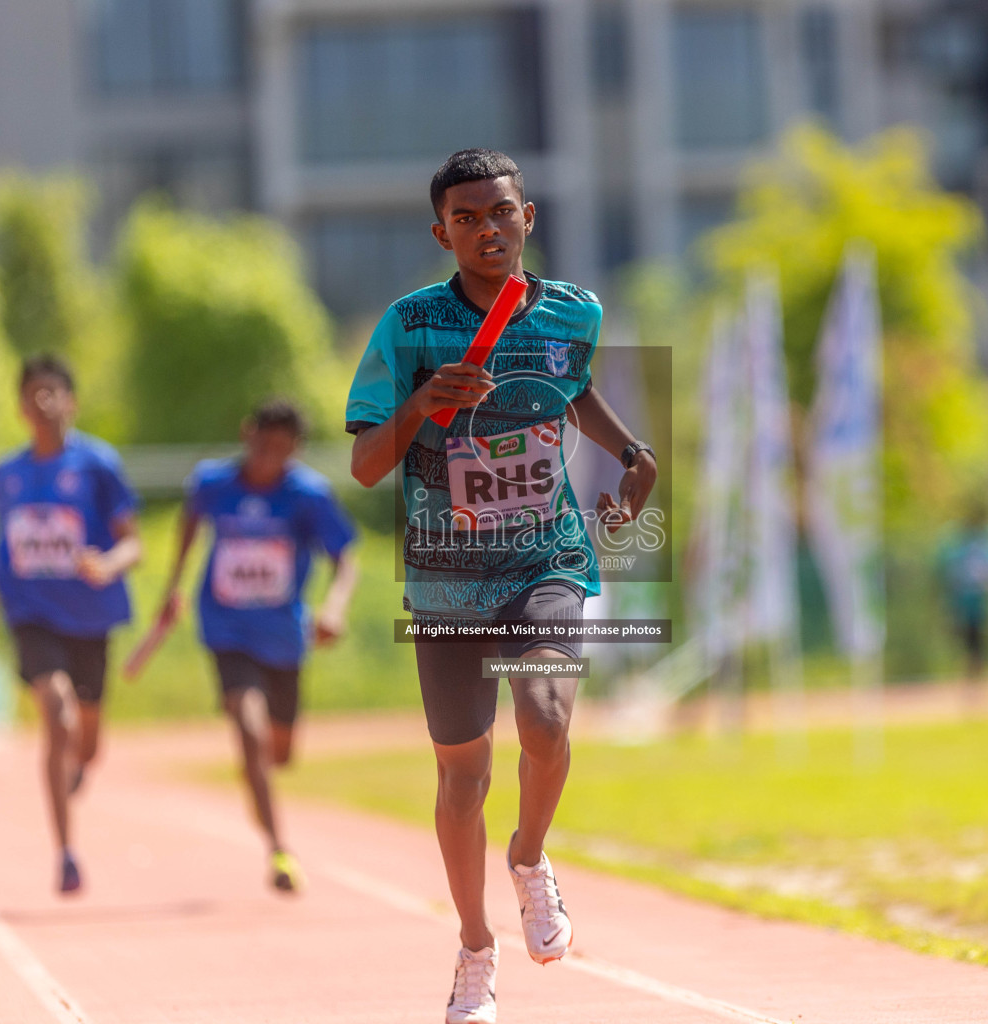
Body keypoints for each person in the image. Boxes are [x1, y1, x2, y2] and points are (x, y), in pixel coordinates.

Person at [346, 148, 658, 1024]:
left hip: (543, 558)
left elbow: (575, 389)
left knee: (548, 720)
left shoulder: (572, 313)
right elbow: (368, 466)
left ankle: (530, 858)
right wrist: (421, 406)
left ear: (530, 218)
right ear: (441, 231)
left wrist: (633, 455)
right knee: (462, 780)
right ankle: (476, 950)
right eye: (469, 218)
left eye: (503, 213)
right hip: (446, 582)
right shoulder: (407, 327)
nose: (489, 229)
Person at [153, 398, 358, 892]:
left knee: (278, 753)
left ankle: (257, 770)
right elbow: (189, 524)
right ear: (247, 436)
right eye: (264, 446)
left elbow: (344, 555)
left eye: (282, 451)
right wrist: (174, 586)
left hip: (284, 636)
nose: (270, 459)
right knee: (248, 727)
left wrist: (333, 607)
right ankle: (278, 851)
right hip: (226, 629)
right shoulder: (212, 483)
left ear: (296, 451)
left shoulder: (308, 495)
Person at [0, 354, 141, 895]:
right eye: (33, 391)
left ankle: (79, 765)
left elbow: (133, 542)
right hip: (33, 617)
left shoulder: (98, 465)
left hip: (90, 618)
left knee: (88, 743)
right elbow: (6, 546)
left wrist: (108, 564)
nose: (43, 400)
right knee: (56, 713)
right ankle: (66, 853)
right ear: (20, 404)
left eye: (53, 390)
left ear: (71, 401)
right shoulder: (6, 474)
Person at [937, 505, 988, 714]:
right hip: (968, 608)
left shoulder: (978, 549)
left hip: (980, 607)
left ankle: (978, 691)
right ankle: (973, 691)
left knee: (978, 650)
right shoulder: (966, 550)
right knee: (972, 650)